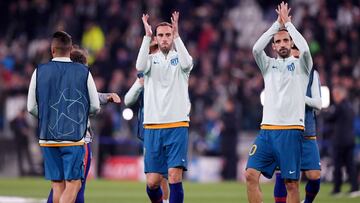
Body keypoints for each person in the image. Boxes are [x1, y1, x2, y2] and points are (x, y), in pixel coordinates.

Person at [245, 2, 313, 203]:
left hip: (290, 130)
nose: (283, 44)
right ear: (273, 46)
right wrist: (276, 25)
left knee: (291, 184)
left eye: (286, 41)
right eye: (279, 41)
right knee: (250, 175)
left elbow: (307, 51)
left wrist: (289, 25)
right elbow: (257, 49)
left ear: (292, 44)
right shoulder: (268, 65)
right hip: (267, 131)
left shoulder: (301, 65)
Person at [27, 31, 100, 203]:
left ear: (52, 50)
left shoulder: (39, 71)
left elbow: (31, 107)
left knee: (57, 185)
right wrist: (77, 116)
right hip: (73, 138)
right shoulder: (84, 71)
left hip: (48, 138)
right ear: (70, 50)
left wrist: (49, 117)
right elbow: (95, 106)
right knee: (74, 184)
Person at [47, 46, 121, 203]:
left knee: (58, 186)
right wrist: (105, 99)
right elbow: (93, 102)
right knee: (77, 186)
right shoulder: (81, 79)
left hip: (53, 139)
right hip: (78, 139)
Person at [135, 11, 193, 203]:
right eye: (160, 35)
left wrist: (177, 35)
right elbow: (139, 65)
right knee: (152, 182)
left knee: (174, 176)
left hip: (177, 125)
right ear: (156, 38)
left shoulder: (180, 59)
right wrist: (146, 37)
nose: (164, 39)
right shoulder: (151, 61)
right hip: (153, 127)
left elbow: (188, 63)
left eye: (168, 35)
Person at [273, 45, 322, 203]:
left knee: (314, 176)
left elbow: (318, 104)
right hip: (285, 131)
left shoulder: (312, 75)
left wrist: (300, 97)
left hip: (307, 133)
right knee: (287, 179)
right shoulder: (279, 74)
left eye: (298, 54)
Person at [124, 72, 169, 203]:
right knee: (152, 180)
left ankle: (166, 201)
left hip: (165, 130)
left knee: (163, 176)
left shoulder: (166, 76)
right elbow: (128, 100)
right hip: (148, 132)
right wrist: (139, 83)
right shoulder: (143, 76)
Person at [325, 86, 360, 197]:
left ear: (340, 95)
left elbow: (329, 118)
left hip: (340, 141)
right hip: (350, 140)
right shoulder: (350, 106)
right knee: (350, 165)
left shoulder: (339, 107)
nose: (334, 97)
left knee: (338, 165)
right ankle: (355, 188)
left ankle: (337, 189)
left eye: (336, 95)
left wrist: (324, 112)